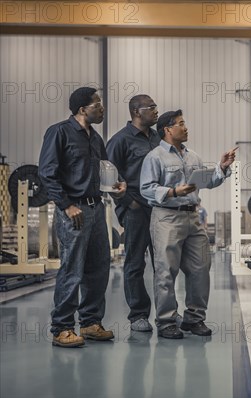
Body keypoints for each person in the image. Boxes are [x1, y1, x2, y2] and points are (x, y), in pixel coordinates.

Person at [38, 87, 127, 347]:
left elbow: (105, 172)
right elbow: (47, 173)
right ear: (81, 109)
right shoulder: (59, 133)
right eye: (97, 104)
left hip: (96, 209)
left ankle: (90, 323)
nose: (101, 108)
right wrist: (66, 205)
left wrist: (117, 186)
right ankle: (62, 328)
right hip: (73, 211)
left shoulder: (95, 138)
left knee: (98, 268)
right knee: (72, 269)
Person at [140, 109, 236, 339]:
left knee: (201, 268)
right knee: (166, 272)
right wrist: (173, 191)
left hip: (193, 217)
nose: (186, 128)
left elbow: (206, 182)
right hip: (167, 217)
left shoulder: (192, 156)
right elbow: (146, 189)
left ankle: (194, 319)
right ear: (168, 129)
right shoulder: (155, 157)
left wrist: (221, 168)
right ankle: (166, 322)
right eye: (181, 124)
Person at [106, 94, 161, 332]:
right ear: (137, 112)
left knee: (164, 265)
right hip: (135, 210)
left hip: (161, 209)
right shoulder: (120, 141)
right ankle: (138, 315)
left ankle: (168, 313)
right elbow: (108, 179)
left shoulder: (159, 138)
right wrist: (129, 202)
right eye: (152, 107)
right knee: (135, 263)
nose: (157, 111)